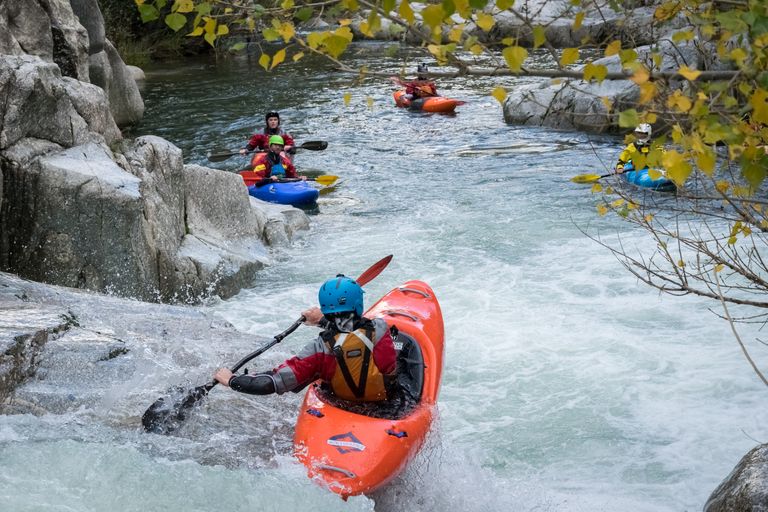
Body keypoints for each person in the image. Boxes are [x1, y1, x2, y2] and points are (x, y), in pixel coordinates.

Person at [213, 275, 398, 403]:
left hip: (341, 404)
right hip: (387, 403)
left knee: (318, 374)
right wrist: (322, 321)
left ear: (325, 310)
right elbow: (355, 334)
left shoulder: (318, 350)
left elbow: (271, 382)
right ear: (358, 305)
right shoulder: (381, 329)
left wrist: (233, 381)